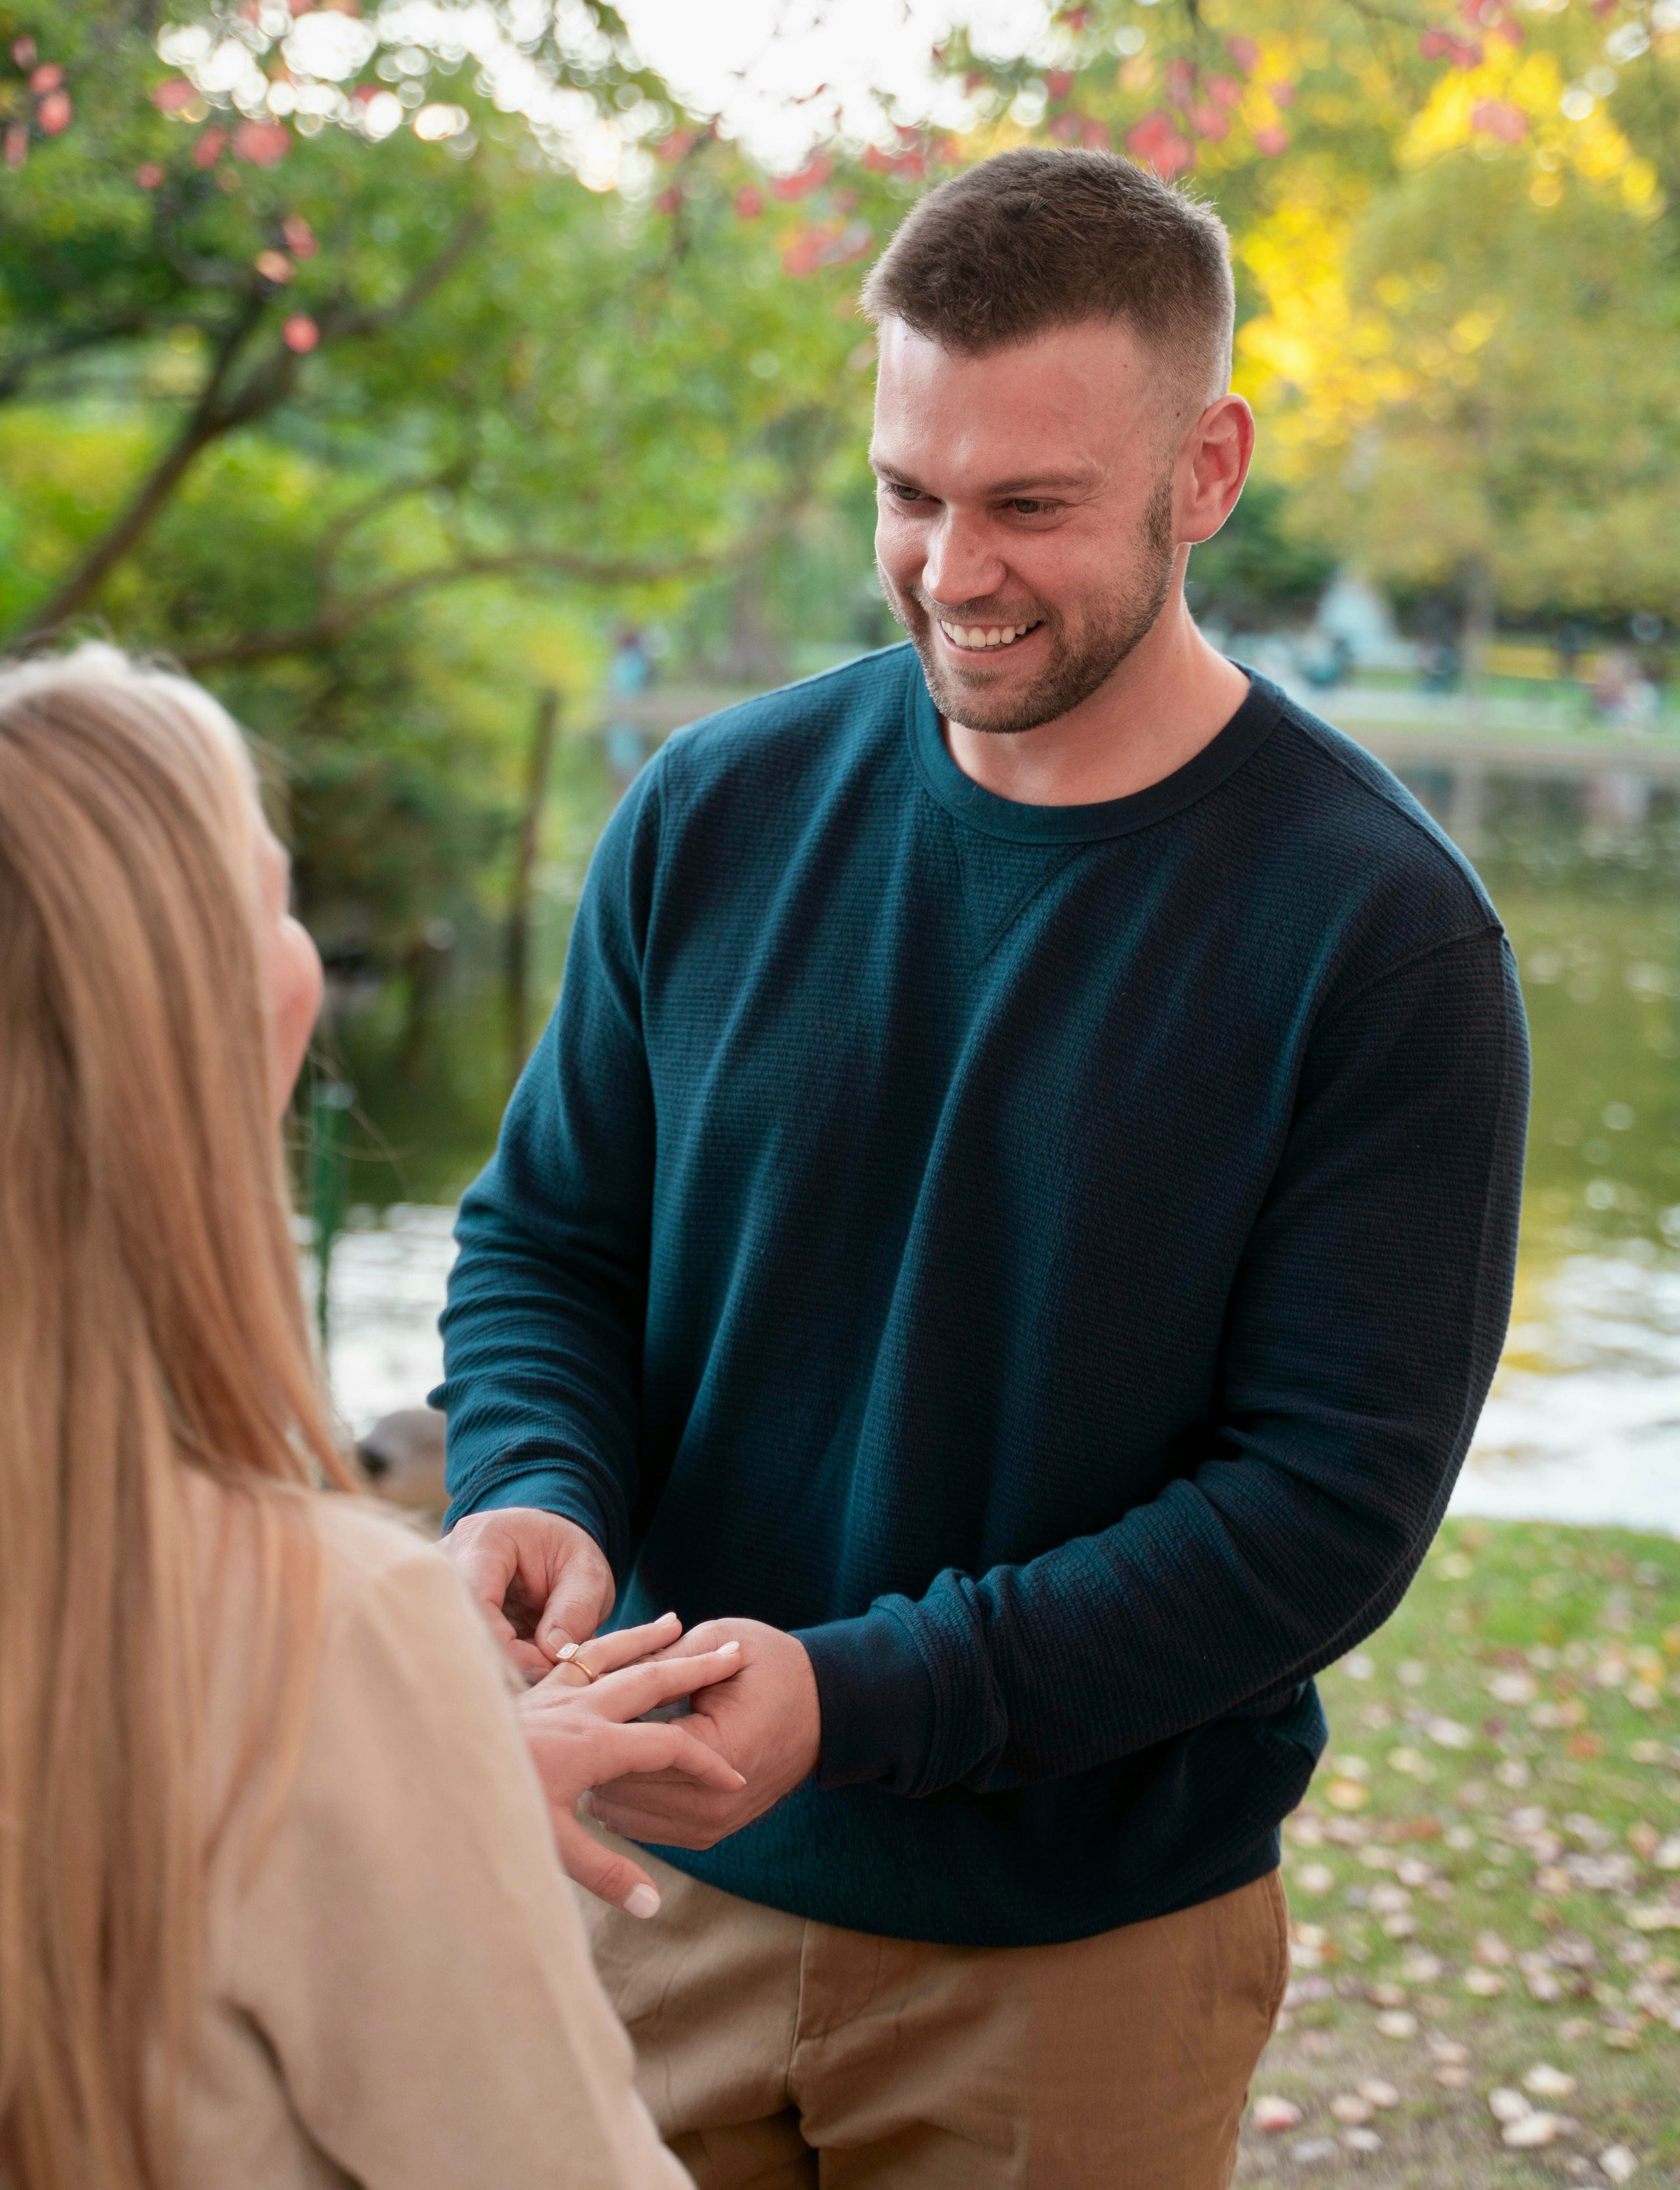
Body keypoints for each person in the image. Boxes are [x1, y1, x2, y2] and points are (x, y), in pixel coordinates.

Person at [437, 149, 1530, 2189]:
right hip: (646, 1880)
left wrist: (852, 1700)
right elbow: (549, 1239)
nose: (953, 566)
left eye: (1031, 503)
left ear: (1207, 471)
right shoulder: (713, 808)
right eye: (908, 491)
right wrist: (529, 1478)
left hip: (1078, 1960)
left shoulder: (1382, 938)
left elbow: (1320, 1516)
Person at [0, 644, 742, 2190]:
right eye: (272, 894)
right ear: (224, 1014)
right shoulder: (325, 1631)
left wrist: (431, 1773)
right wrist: (397, 1752)